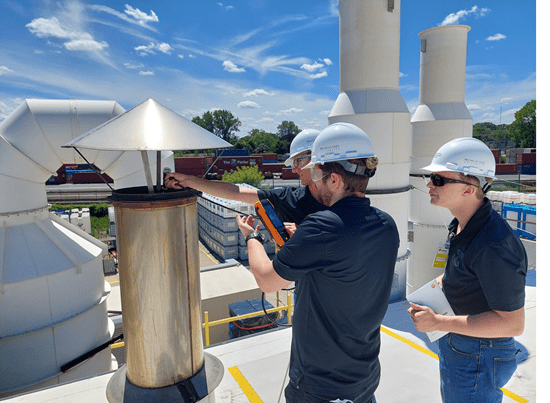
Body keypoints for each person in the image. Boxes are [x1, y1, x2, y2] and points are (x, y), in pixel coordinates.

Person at [236, 122, 399, 403]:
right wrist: (304, 244)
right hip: (365, 377)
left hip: (320, 386)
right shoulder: (387, 225)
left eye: (316, 173)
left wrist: (253, 238)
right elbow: (344, 268)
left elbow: (267, 279)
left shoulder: (321, 228)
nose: (311, 180)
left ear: (334, 180)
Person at [407, 137, 527, 403]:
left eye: (439, 179)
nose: (429, 184)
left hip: (479, 351)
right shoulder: (463, 224)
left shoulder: (494, 245)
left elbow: (513, 323)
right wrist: (439, 286)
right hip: (466, 343)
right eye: (431, 177)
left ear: (469, 188)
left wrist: (438, 323)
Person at [164, 129, 325, 226]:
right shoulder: (291, 199)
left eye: (298, 161)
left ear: (317, 157)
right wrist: (188, 180)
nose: (295, 169)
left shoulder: (346, 200)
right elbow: (236, 192)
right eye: (292, 163)